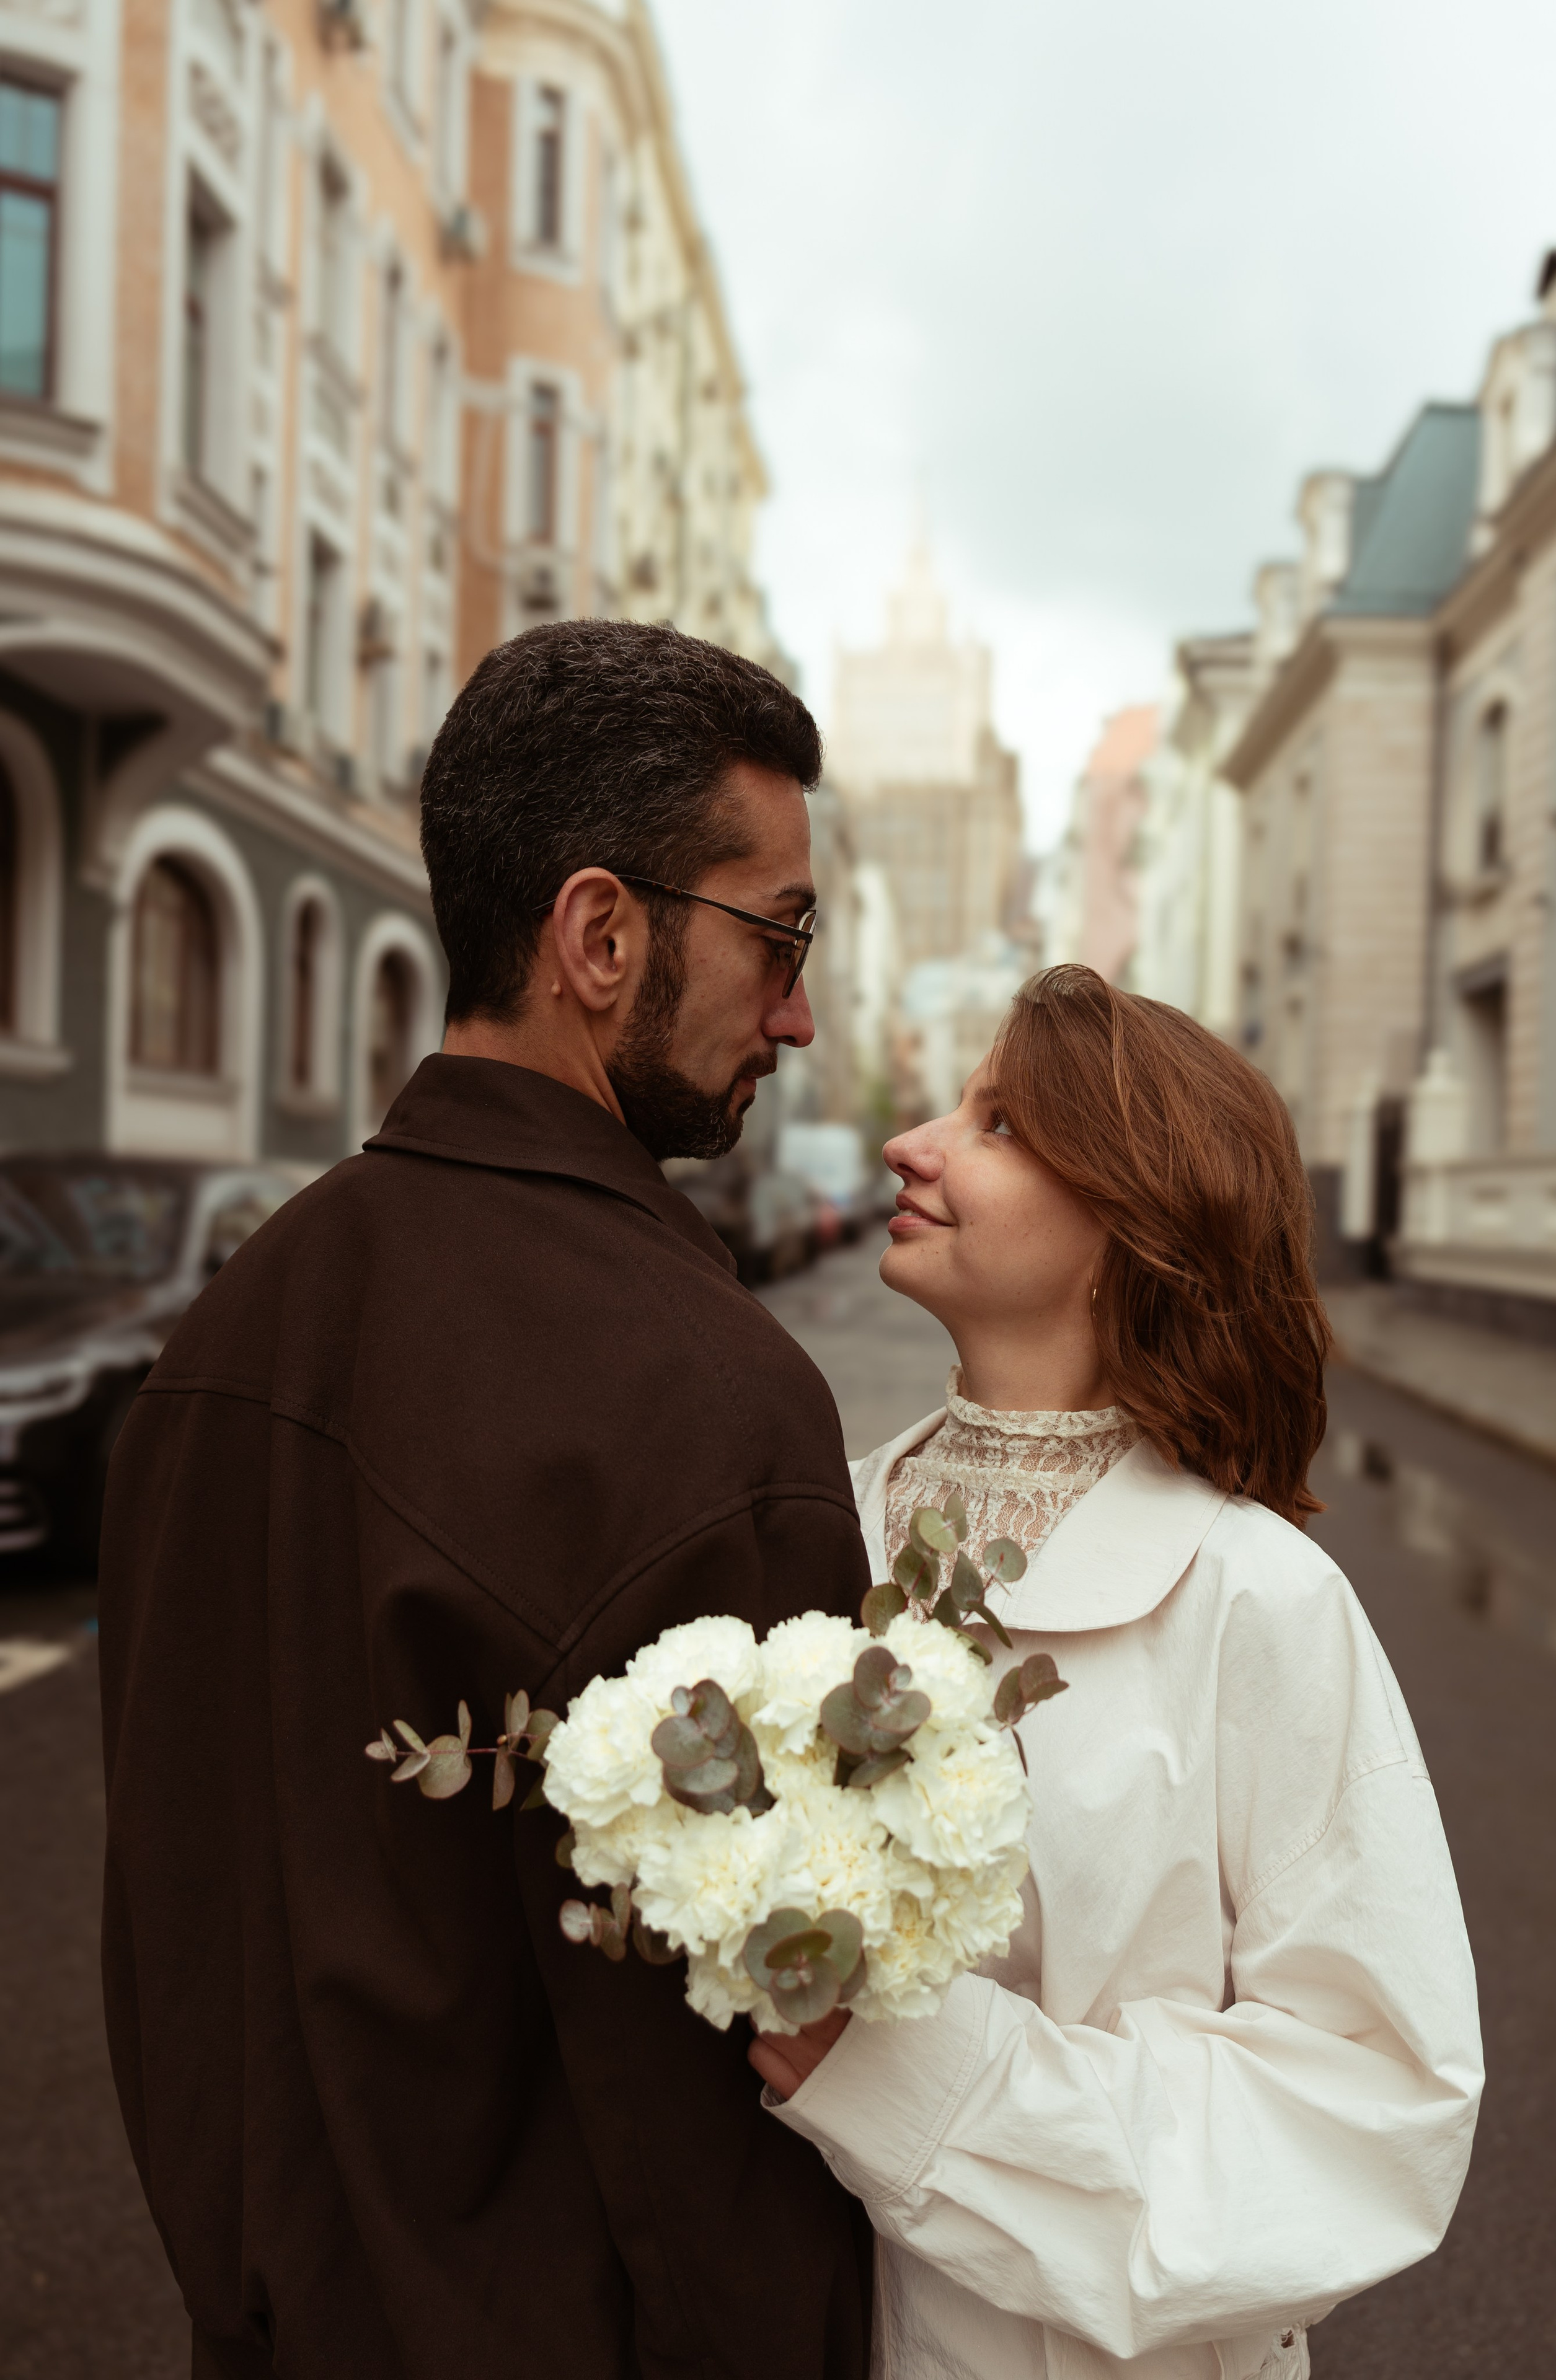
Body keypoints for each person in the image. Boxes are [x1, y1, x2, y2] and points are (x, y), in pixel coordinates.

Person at [98, 621, 873, 2380]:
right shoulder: (709, 1399)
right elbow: (730, 2080)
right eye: (778, 935)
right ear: (602, 937)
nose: (799, 1012)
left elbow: (175, 1912)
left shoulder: (228, 1331)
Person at [750, 965, 1483, 2380]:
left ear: (1128, 1223)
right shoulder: (814, 1527)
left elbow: (1373, 2107)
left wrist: (928, 2090)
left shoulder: (1256, 1599)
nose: (910, 1146)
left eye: (998, 1124)